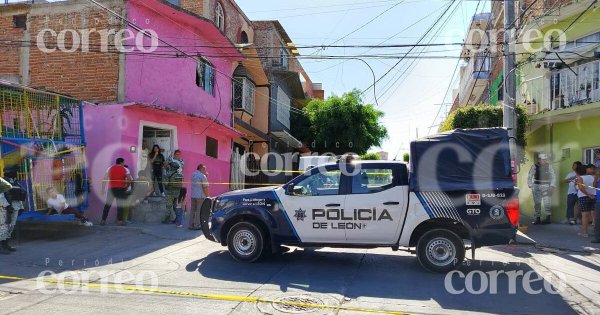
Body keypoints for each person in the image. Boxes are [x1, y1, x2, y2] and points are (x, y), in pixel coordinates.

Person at [101, 158, 132, 226]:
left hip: (111, 189)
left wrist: (103, 189)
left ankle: (103, 220)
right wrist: (126, 186)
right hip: (121, 189)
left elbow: (105, 178)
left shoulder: (110, 168)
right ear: (121, 162)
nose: (124, 164)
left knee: (107, 205)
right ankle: (120, 221)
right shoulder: (125, 169)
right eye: (123, 162)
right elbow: (129, 180)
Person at [527, 153, 556, 224]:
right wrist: (530, 184)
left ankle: (548, 218)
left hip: (545, 185)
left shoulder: (549, 166)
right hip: (536, 185)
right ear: (539, 160)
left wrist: (552, 185)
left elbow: (553, 176)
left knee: (547, 202)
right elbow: (530, 176)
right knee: (537, 202)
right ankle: (538, 218)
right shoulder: (534, 166)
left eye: (545, 159)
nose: (544, 161)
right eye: (543, 159)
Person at [0, 175, 26, 253]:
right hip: (4, 206)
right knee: (4, 226)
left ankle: (6, 244)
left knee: (11, 226)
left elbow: (19, 195)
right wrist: (6, 205)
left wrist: (21, 207)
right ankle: (2, 246)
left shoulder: (15, 181)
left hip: (15, 206)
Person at [164, 150, 184, 224]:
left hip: (170, 190)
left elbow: (165, 183)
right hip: (178, 190)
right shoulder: (180, 174)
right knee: (175, 205)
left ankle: (167, 219)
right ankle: (177, 219)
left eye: (179, 154)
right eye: (176, 154)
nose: (178, 155)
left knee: (169, 205)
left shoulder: (169, 174)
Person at [576, 165, 595, 237]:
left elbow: (580, 188)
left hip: (583, 197)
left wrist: (588, 194)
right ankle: (596, 232)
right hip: (594, 197)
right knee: (594, 215)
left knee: (585, 215)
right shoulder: (593, 177)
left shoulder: (580, 178)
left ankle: (585, 232)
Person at [189, 164, 209, 230]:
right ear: (201, 168)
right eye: (204, 169)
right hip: (200, 196)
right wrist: (207, 196)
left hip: (193, 195)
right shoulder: (203, 176)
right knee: (199, 211)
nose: (205, 170)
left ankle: (191, 225)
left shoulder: (193, 174)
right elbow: (205, 187)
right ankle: (197, 225)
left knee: (192, 210)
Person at [592, 167, 600, 243]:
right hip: (598, 202)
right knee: (597, 220)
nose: (597, 173)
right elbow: (594, 186)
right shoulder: (597, 179)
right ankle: (597, 238)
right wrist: (596, 178)